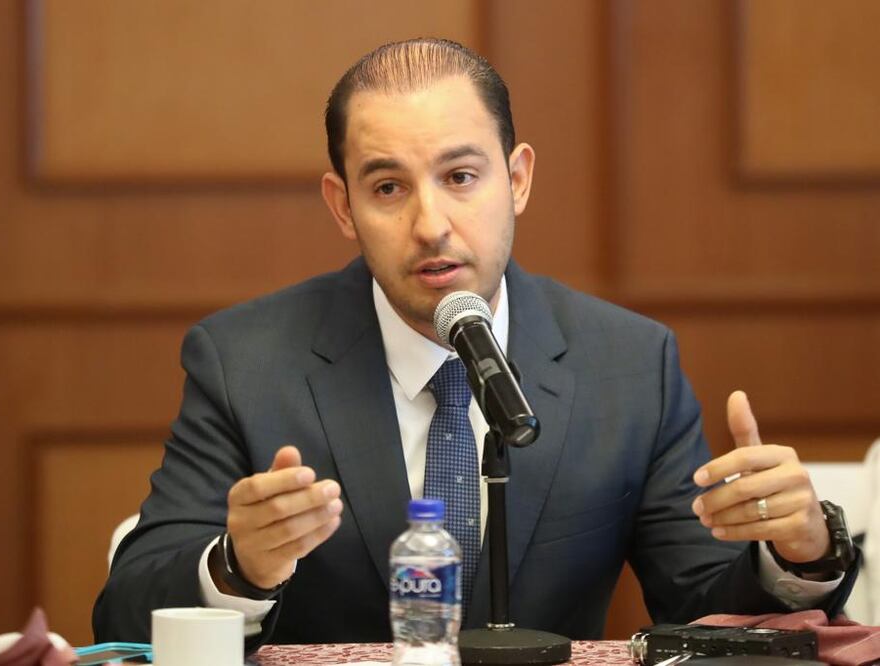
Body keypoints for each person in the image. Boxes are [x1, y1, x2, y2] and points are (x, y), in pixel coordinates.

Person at [92, 39, 859, 649]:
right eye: (388, 188)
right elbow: (124, 613)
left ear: (516, 179)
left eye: (460, 176)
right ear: (343, 206)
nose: (431, 225)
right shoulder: (245, 362)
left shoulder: (629, 365)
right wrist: (240, 566)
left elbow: (706, 607)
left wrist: (797, 553)